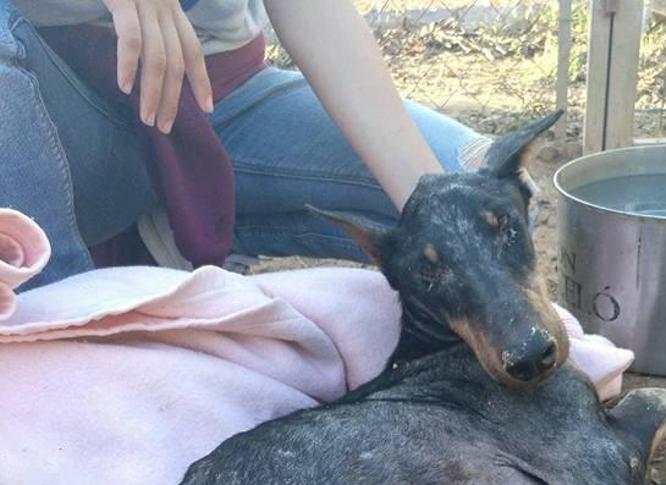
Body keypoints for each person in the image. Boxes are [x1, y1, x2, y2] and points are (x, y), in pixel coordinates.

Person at [1, 0, 491, 290]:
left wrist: (438, 207)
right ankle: (61, 332)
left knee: (480, 200)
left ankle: (179, 234)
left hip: (217, 93)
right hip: (51, 123)